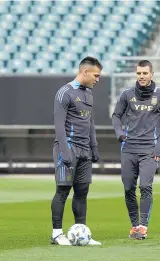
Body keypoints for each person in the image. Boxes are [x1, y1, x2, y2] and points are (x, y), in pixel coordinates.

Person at [111, 60, 160, 240]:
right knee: (129, 188)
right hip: (128, 148)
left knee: (145, 186)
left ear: (151, 74)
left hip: (149, 149)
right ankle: (135, 226)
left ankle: (143, 226)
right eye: (139, 73)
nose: (142, 77)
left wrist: (159, 146)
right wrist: (119, 132)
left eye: (145, 73)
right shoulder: (127, 95)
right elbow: (116, 116)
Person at [50, 56, 103, 245]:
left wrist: (94, 146)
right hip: (68, 146)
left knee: (82, 192)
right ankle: (57, 234)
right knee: (63, 190)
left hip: (85, 150)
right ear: (85, 72)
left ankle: (82, 233)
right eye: (96, 75)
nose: (98, 79)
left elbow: (90, 123)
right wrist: (64, 150)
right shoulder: (64, 92)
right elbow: (59, 125)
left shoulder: (89, 94)